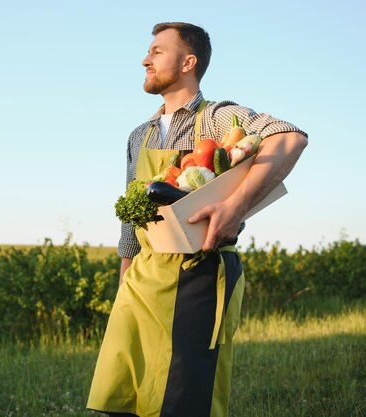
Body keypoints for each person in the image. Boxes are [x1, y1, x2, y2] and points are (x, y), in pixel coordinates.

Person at [87, 22, 308, 417]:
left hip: (198, 277)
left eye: (157, 51)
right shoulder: (139, 135)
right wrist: (124, 279)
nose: (145, 59)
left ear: (188, 62)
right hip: (142, 279)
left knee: (184, 399)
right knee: (124, 394)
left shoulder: (217, 118)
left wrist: (235, 206)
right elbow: (130, 219)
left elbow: (289, 138)